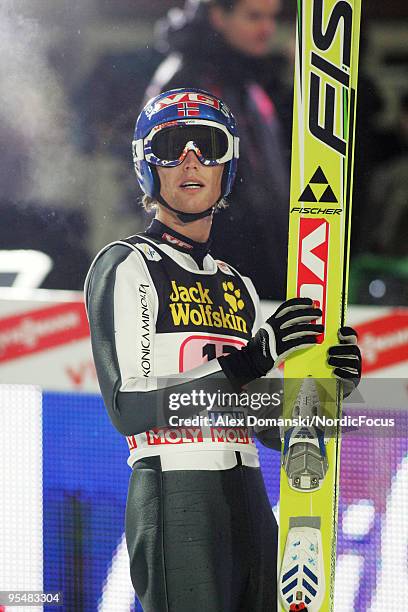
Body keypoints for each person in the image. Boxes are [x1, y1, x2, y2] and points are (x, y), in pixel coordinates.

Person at [85, 88, 362, 612]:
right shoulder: (127, 264)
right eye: (172, 146)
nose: (191, 160)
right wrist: (252, 359)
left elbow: (268, 428)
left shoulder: (238, 285)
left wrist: (329, 391)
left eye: (207, 145)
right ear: (148, 167)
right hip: (176, 492)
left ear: (227, 168)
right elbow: (130, 408)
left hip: (250, 492)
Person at [145, 0, 292, 300]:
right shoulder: (186, 83)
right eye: (254, 17)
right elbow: (170, 187)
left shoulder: (246, 80)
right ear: (218, 16)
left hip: (260, 267)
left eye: (271, 18)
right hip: (212, 278)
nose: (267, 29)